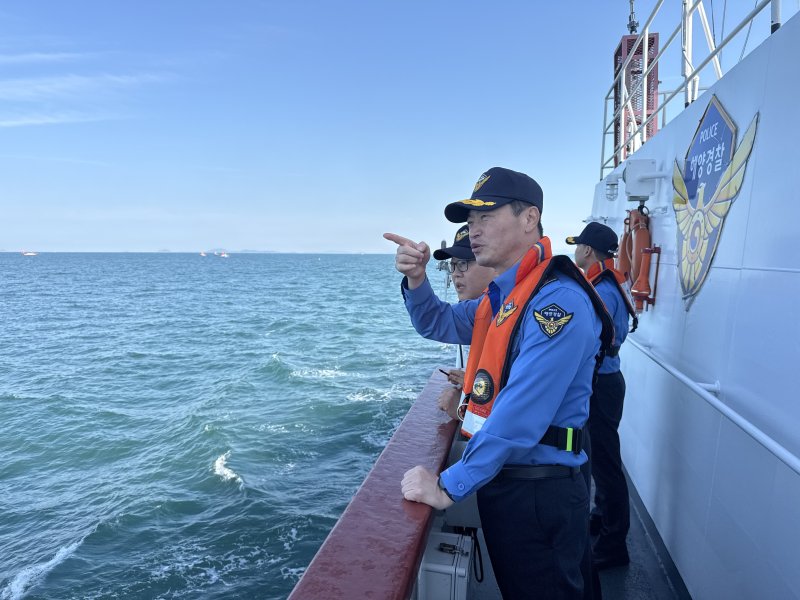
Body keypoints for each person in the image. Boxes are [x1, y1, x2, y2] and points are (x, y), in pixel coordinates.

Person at [385, 167, 613, 599]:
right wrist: (416, 280)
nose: (473, 230)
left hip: (539, 490)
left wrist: (447, 485)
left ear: (529, 219)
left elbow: (520, 415)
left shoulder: (556, 303)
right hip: (511, 480)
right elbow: (437, 321)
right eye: (470, 221)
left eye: (486, 217)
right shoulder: (503, 300)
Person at [567, 222, 637, 570]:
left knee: (607, 466)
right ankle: (601, 517)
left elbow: (589, 340)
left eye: (578, 245)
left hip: (602, 385)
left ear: (587, 250)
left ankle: (613, 545)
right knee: (599, 457)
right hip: (607, 380)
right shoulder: (606, 284)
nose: (574, 251)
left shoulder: (602, 291)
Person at [432, 225, 496, 419]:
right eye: (453, 265)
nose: (456, 273)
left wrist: (462, 411)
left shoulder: (507, 311)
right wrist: (472, 378)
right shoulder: (479, 309)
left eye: (464, 263)